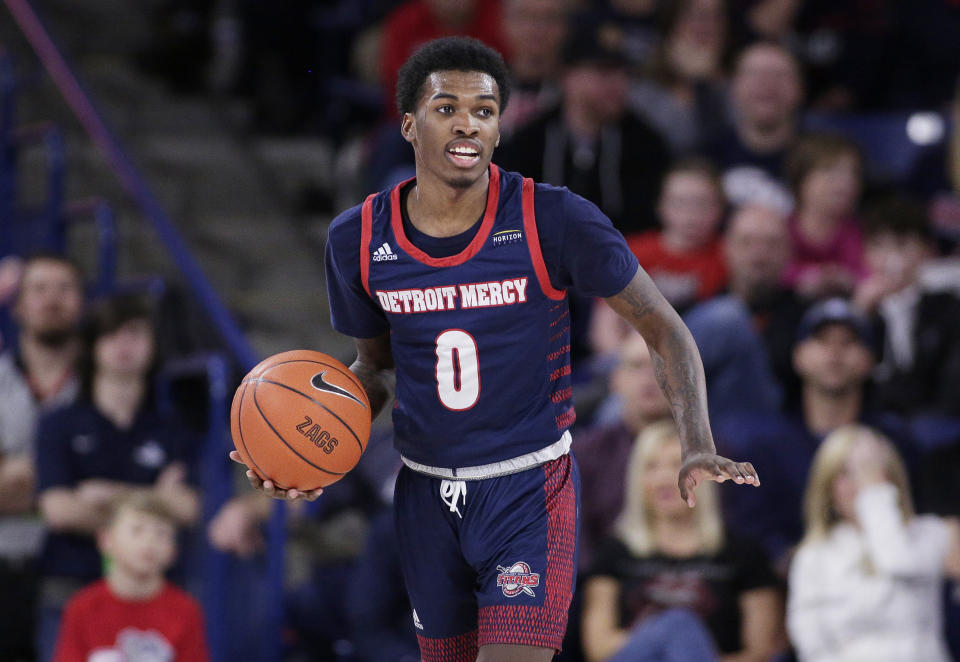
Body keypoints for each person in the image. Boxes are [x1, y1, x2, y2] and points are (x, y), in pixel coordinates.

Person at [233, 37, 759, 662]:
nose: (467, 122)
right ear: (408, 123)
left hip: (527, 486)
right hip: (425, 492)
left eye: (484, 110)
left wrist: (696, 439)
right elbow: (374, 366)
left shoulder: (554, 218)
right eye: (446, 107)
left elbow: (665, 328)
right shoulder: (358, 238)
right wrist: (320, 448)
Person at [35, 294, 199, 662]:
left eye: (136, 333)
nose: (124, 345)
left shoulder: (171, 429)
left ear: (153, 346)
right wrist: (153, 504)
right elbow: (59, 510)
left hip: (152, 590)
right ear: (93, 346)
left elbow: (188, 507)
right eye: (112, 335)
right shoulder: (58, 423)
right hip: (71, 581)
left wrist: (105, 494)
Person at [714, 297, 912, 567]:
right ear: (798, 356)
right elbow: (754, 531)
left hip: (881, 574)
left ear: (870, 360)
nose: (835, 353)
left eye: (848, 342)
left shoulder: (892, 440)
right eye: (822, 341)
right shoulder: (763, 446)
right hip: (789, 583)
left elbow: (911, 518)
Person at [582, 421, 784, 662]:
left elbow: (760, 653)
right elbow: (599, 648)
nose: (664, 478)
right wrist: (667, 638)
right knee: (677, 625)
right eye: (651, 466)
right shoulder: (614, 552)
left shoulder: (742, 553)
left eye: (678, 466)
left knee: (681, 627)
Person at [787, 424, 960, 662]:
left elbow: (898, 561)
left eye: (871, 471)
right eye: (847, 473)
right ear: (827, 486)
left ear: (891, 478)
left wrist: (875, 494)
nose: (860, 483)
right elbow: (810, 642)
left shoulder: (930, 533)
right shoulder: (813, 556)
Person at [496, 19, 671, 235]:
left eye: (625, 73)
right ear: (568, 75)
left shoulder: (647, 146)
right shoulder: (529, 143)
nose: (619, 83)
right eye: (604, 71)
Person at [0, 253, 84, 662]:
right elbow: (91, 482)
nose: (52, 299)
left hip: (75, 573)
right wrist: (67, 480)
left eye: (64, 289)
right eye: (39, 289)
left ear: (82, 303)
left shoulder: (101, 386)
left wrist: (18, 474)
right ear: (17, 307)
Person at [52, 492, 209, 662]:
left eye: (161, 533)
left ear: (174, 550)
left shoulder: (185, 611)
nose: (149, 542)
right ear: (106, 540)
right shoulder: (81, 608)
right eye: (137, 530)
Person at [683, 203, 805, 416]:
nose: (759, 256)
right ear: (725, 248)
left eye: (771, 244)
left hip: (770, 427)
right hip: (700, 424)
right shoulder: (700, 308)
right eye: (746, 243)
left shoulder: (805, 317)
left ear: (789, 251)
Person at [852, 197, 960, 416]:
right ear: (865, 253)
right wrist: (859, 315)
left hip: (938, 422)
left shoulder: (947, 307)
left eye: (901, 245)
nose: (891, 258)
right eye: (878, 245)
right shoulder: (853, 308)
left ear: (926, 250)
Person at [575, 334, 672, 570]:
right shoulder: (583, 453)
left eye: (662, 366)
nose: (649, 378)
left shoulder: (715, 455)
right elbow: (578, 548)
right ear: (615, 379)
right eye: (637, 366)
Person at [702, 40, 803, 214]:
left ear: (799, 88)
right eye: (754, 74)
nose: (766, 84)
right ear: (734, 87)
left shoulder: (823, 162)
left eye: (779, 75)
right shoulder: (704, 158)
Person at [625, 158, 728, 313]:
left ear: (720, 208)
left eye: (702, 204)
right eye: (679, 203)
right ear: (660, 206)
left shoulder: (729, 255)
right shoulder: (632, 253)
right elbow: (606, 319)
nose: (691, 215)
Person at [629, 0, 730, 156]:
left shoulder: (737, 80)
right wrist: (696, 85)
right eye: (696, 16)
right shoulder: (645, 85)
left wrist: (705, 84)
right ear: (672, 22)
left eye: (716, 16)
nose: (707, 26)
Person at [783, 132, 866, 300]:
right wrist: (806, 278)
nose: (846, 182)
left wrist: (848, 280)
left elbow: (870, 274)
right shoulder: (779, 230)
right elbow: (769, 270)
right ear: (801, 180)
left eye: (853, 173)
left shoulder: (864, 233)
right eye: (830, 171)